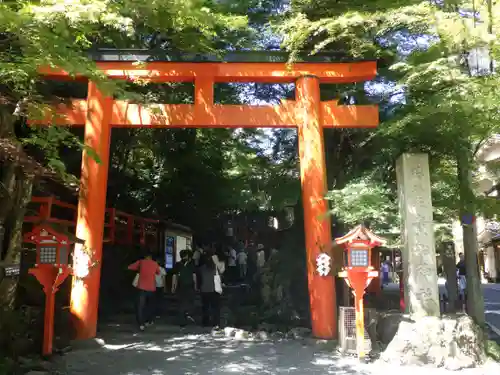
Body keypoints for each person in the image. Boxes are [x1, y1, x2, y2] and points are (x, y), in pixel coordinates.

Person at [128, 252, 161, 331]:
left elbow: (130, 267)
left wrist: (139, 269)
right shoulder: (155, 263)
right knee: (150, 305)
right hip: (151, 288)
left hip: (142, 287)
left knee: (140, 306)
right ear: (150, 257)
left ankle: (141, 324)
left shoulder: (140, 262)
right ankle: (148, 321)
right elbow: (158, 272)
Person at [199, 249, 225, 328]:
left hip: (204, 289)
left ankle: (205, 322)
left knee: (205, 307)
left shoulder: (202, 268)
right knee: (215, 307)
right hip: (215, 290)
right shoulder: (217, 267)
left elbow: (200, 279)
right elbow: (222, 272)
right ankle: (216, 322)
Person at [171, 249, 198, 325]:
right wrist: (196, 286)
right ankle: (188, 314)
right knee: (190, 301)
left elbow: (174, 276)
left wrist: (173, 287)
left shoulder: (177, 265)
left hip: (180, 285)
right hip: (190, 286)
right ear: (187, 256)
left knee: (180, 303)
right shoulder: (191, 265)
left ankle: (182, 320)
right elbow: (194, 276)